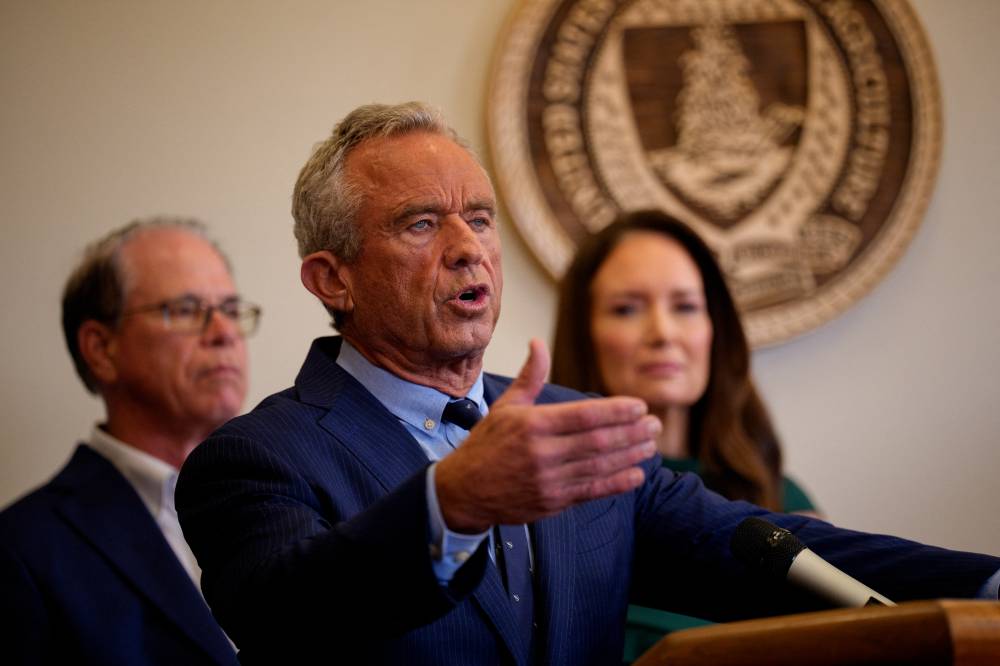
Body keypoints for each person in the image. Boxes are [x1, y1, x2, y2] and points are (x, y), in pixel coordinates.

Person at [175, 103, 1000, 666]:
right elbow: (288, 612)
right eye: (421, 223)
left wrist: (984, 585)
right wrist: (451, 504)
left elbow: (759, 548)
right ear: (332, 278)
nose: (469, 248)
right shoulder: (253, 459)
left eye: (480, 217)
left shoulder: (570, 428)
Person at [551, 209, 819, 660]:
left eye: (686, 306)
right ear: (585, 335)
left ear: (716, 330)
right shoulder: (544, 502)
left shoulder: (779, 495)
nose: (663, 333)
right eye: (627, 308)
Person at [0, 218, 260, 665]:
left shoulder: (287, 490)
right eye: (185, 309)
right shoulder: (21, 551)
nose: (224, 333)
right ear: (101, 348)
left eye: (231, 309)